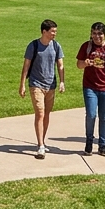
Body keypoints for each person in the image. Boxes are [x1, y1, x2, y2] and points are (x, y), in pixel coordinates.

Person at [18, 19, 65, 159]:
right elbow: (26, 66)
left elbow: (60, 65)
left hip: (51, 85)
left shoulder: (56, 46)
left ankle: (42, 141)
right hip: (36, 84)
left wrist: (62, 81)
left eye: (55, 31)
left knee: (47, 114)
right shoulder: (33, 46)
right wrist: (22, 85)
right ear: (44, 32)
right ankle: (40, 145)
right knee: (40, 113)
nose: (54, 34)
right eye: (52, 31)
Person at [76, 22, 105, 156]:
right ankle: (89, 141)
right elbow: (78, 64)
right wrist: (85, 63)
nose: (97, 36)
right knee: (91, 114)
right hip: (90, 87)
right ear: (91, 34)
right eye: (94, 33)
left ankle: (102, 145)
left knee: (104, 117)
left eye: (100, 34)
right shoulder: (87, 46)